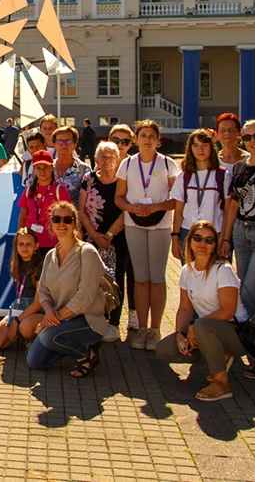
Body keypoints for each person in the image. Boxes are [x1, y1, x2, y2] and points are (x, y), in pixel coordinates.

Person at [154, 219, 244, 401]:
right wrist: (180, 333)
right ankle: (216, 357)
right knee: (164, 349)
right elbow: (185, 308)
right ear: (189, 241)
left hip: (236, 332)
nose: (203, 243)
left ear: (214, 246)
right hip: (206, 329)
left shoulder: (223, 269)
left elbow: (228, 311)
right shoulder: (187, 270)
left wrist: (195, 327)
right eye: (198, 238)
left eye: (209, 240)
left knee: (201, 327)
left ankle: (221, 383)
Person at [114, 119, 179, 351]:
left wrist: (156, 207)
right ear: (136, 139)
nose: (148, 139)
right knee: (140, 278)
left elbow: (176, 200)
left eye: (152, 136)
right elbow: (119, 197)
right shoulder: (127, 164)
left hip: (160, 225)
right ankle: (141, 328)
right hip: (134, 224)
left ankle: (155, 329)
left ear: (158, 140)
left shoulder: (169, 164)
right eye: (143, 135)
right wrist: (132, 209)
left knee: (157, 277)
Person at [219, 119, 255, 379]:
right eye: (248, 137)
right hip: (241, 233)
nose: (253, 141)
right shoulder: (240, 167)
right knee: (247, 293)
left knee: (252, 295)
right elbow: (231, 206)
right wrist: (226, 237)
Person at [27, 201, 109, 377]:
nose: (61, 224)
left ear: (75, 223)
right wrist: (48, 311)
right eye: (56, 219)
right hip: (60, 320)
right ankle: (68, 343)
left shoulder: (87, 253)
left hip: (86, 321)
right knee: (34, 361)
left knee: (47, 336)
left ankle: (87, 355)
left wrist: (51, 321)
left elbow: (84, 297)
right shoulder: (50, 255)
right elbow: (42, 291)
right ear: (51, 224)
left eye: (67, 219)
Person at [78, 141, 126, 342]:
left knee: (116, 279)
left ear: (118, 160)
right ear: (96, 160)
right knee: (92, 278)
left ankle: (114, 323)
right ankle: (95, 319)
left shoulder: (124, 181)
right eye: (103, 157)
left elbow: (126, 210)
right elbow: (81, 210)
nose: (107, 161)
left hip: (118, 237)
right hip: (92, 237)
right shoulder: (88, 180)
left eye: (111, 157)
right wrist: (95, 235)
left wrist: (109, 235)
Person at [170, 128, 229, 264]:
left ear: (211, 148)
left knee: (214, 279)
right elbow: (178, 211)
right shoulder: (183, 176)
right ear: (190, 149)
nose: (200, 150)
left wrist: (224, 239)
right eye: (195, 145)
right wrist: (175, 238)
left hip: (215, 235)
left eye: (204, 146)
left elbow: (227, 211)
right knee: (190, 279)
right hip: (188, 233)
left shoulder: (223, 175)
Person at [0, 228, 44, 350]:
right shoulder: (16, 264)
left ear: (36, 246)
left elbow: (38, 304)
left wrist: (16, 322)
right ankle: (19, 336)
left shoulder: (40, 266)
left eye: (29, 244)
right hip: (18, 307)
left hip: (36, 310)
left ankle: (33, 338)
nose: (24, 248)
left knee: (27, 329)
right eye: (21, 244)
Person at [108, 123, 138, 331]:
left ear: (131, 144)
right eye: (116, 140)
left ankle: (134, 312)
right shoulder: (103, 162)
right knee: (115, 273)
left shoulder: (134, 166)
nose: (119, 145)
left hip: (130, 225)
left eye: (124, 142)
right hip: (108, 228)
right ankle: (114, 319)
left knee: (133, 272)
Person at [16, 151, 70, 260]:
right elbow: (23, 217)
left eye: (45, 167)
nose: (42, 171)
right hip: (31, 245)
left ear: (51, 168)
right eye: (38, 168)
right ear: (34, 170)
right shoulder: (29, 190)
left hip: (53, 244)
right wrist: (20, 239)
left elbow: (69, 218)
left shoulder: (59, 190)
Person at [51, 126, 92, 205]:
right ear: (55, 145)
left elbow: (90, 199)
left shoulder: (84, 170)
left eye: (68, 141)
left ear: (75, 144)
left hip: (75, 215)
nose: (64, 144)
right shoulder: (47, 168)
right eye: (60, 141)